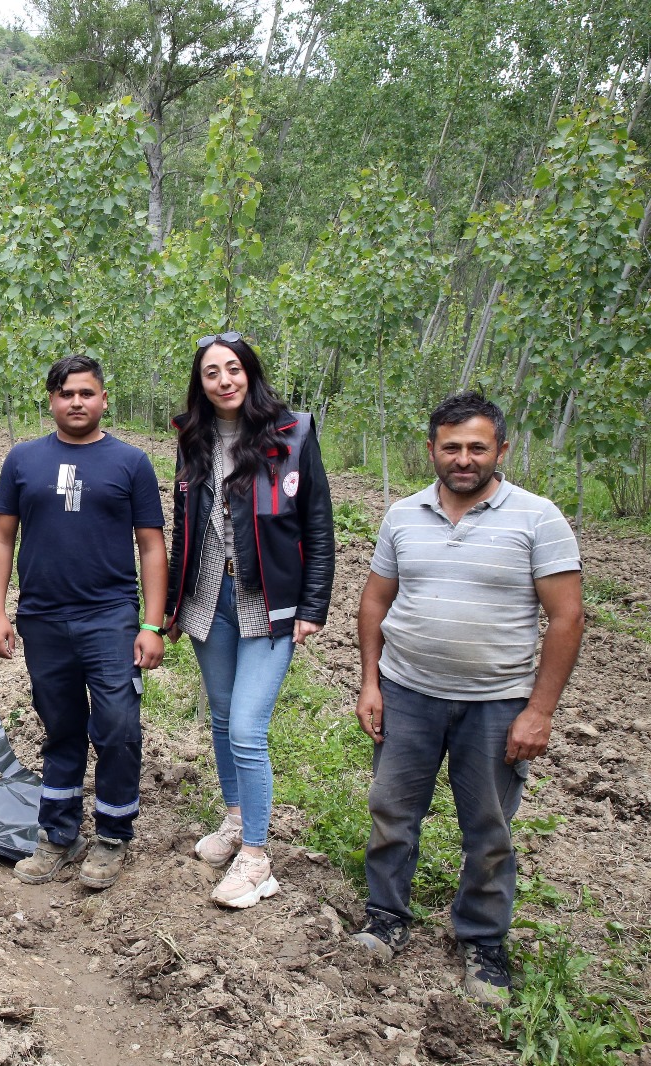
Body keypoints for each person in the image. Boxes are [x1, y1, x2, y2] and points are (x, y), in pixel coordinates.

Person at [352, 392, 583, 1007]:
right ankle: (385, 918)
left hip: (497, 702)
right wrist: (371, 681)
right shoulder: (403, 514)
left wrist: (540, 710)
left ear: (501, 451)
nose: (463, 458)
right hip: (407, 692)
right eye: (450, 446)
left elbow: (566, 619)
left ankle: (482, 941)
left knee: (489, 828)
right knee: (392, 811)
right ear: (431, 450)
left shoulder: (538, 519)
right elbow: (374, 601)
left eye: (476, 447)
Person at [163, 332, 335, 909]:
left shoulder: (294, 433)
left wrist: (314, 606)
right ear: (201, 384)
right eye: (211, 373)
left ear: (250, 373)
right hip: (210, 596)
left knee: (245, 727)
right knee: (218, 715)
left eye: (233, 369)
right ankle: (235, 818)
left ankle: (258, 858)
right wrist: (171, 607)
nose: (224, 381)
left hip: (268, 600)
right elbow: (184, 524)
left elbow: (317, 525)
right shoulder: (193, 438)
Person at [0, 354, 168, 890]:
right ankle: (58, 835)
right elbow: (2, 537)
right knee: (60, 726)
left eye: (86, 393)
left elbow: (151, 547)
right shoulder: (23, 460)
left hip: (109, 617)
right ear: (52, 401)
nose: (76, 402)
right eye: (66, 394)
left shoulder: (131, 463)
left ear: (104, 399)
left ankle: (112, 835)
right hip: (42, 616)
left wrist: (151, 625)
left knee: (117, 725)